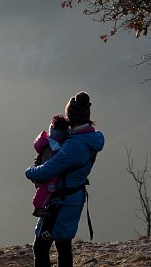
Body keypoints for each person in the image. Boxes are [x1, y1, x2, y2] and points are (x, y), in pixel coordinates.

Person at [25, 91, 105, 267]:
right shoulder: (89, 139)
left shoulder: (74, 145)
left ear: (72, 117)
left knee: (40, 247)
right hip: (74, 197)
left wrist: (29, 171)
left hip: (60, 203)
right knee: (63, 245)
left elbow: (48, 170)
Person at [32, 114, 70, 218]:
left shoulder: (46, 143)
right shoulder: (65, 145)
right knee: (45, 190)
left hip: (42, 171)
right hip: (50, 176)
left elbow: (39, 158)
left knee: (42, 191)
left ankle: (39, 208)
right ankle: (39, 208)